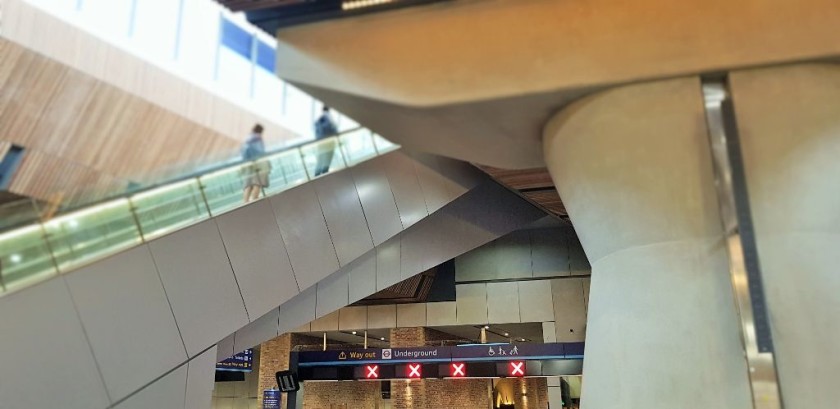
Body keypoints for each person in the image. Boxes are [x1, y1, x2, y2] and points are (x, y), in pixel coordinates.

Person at [240, 124, 271, 202]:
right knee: (257, 183)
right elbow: (261, 151)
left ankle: (245, 202)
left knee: (249, 184)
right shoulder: (258, 138)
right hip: (259, 163)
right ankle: (254, 200)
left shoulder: (247, 138)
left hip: (249, 164)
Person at [313, 106, 338, 176]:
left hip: (321, 144)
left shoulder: (319, 119)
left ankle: (317, 175)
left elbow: (316, 132)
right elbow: (335, 131)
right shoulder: (329, 118)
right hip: (329, 143)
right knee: (327, 160)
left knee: (320, 160)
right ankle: (324, 174)